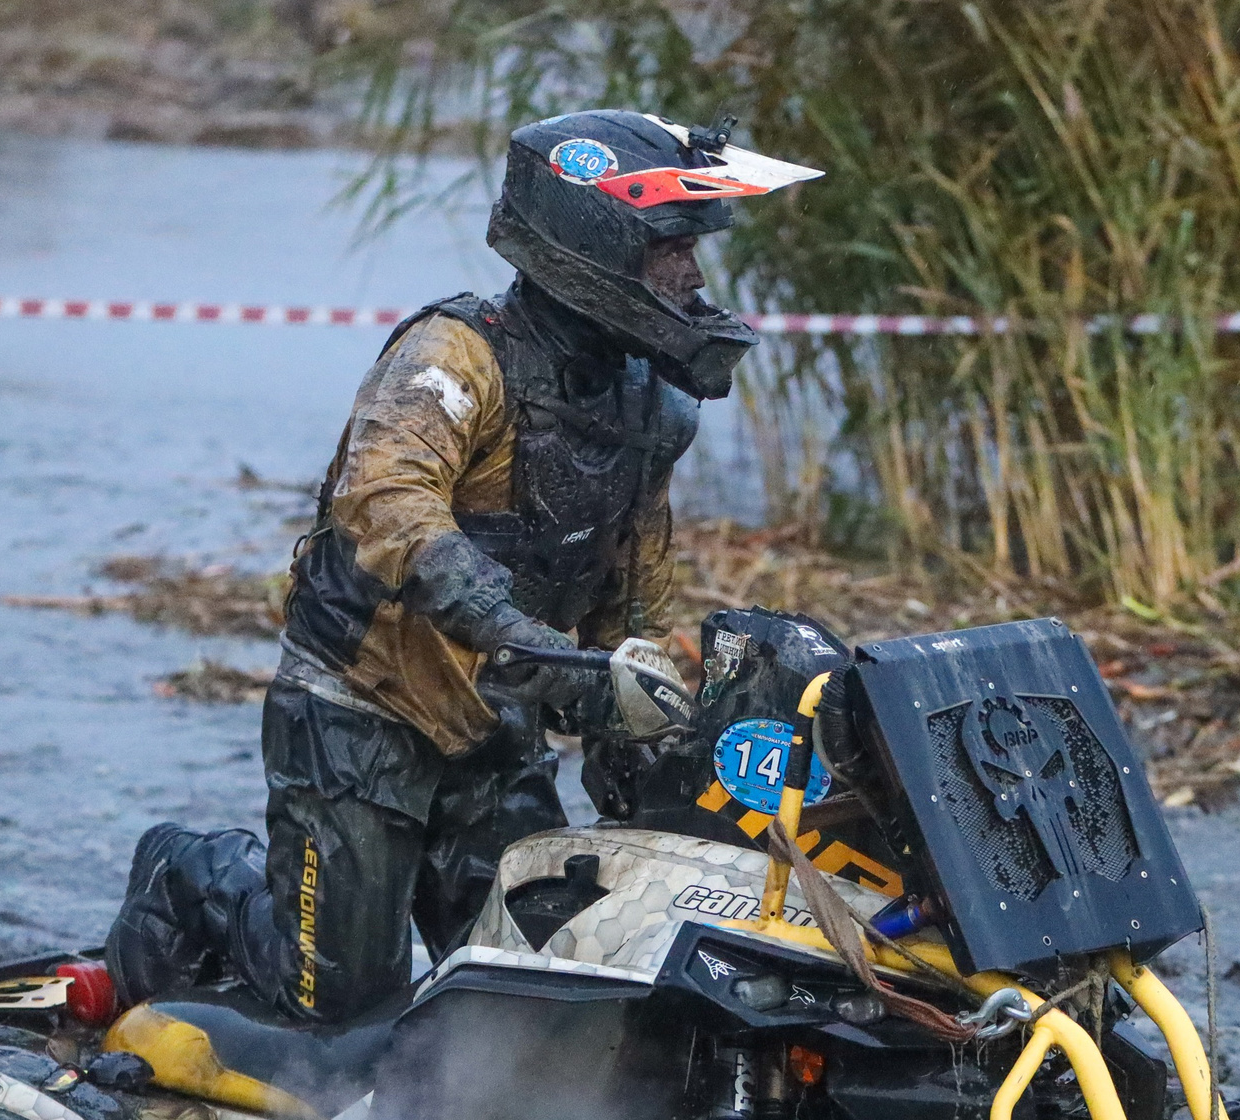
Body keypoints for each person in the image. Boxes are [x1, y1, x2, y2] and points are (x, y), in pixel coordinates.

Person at [103, 110, 822, 1022]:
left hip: (495, 721)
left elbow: (633, 578)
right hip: (363, 708)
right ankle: (192, 873)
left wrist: (635, 724)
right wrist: (511, 630)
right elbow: (387, 499)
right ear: (593, 244)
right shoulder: (455, 354)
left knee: (526, 994)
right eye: (672, 247)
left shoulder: (654, 405)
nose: (694, 276)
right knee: (343, 1009)